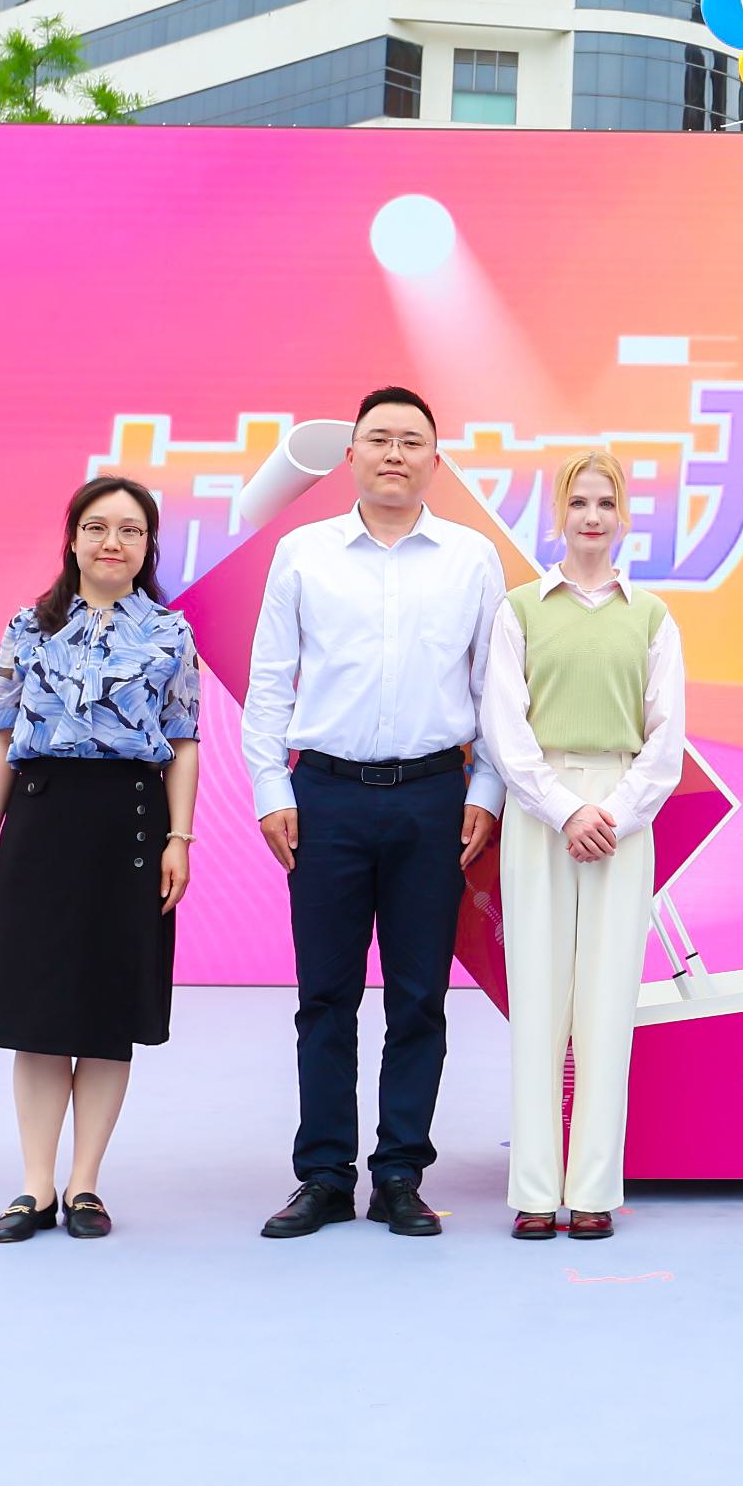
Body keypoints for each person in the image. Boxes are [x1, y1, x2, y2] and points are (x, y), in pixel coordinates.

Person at [244, 387, 503, 1241]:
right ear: (350, 455)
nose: (395, 454)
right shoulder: (303, 553)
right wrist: (272, 790)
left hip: (434, 798)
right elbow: (270, 681)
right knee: (325, 995)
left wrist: (487, 789)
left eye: (412, 441)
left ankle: (399, 1173)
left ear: (436, 460)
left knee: (419, 996)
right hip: (325, 797)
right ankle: (323, 1175)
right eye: (379, 439)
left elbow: (493, 689)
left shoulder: (470, 558)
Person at [0, 477, 202, 1243]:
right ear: (72, 538)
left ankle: (84, 1185)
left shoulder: (170, 633)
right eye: (98, 527)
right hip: (41, 820)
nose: (113, 542)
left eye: (131, 530)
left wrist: (179, 838)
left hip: (130, 826)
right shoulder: (28, 628)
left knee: (107, 1013)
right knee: (36, 1013)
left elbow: (185, 743)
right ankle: (35, 1186)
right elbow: (1, 736)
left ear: (149, 546)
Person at [478, 450, 687, 1241]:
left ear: (623, 516)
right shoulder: (521, 610)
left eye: (605, 503)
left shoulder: (652, 617)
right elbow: (505, 728)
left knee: (607, 1004)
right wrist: (566, 811)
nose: (592, 516)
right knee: (538, 1001)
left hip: (623, 810)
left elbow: (665, 739)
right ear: (559, 515)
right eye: (578, 503)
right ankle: (535, 1191)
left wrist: (614, 813)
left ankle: (594, 1188)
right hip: (540, 812)